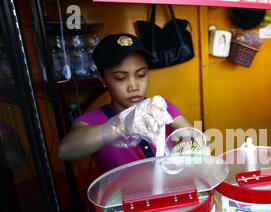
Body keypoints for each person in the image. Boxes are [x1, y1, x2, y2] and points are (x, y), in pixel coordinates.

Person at [57, 33, 192, 174]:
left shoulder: (160, 106)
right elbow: (65, 150)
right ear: (102, 79)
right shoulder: (92, 120)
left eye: (141, 75)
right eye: (120, 78)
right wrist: (121, 125)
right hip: (123, 195)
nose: (133, 86)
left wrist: (189, 146)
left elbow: (190, 135)